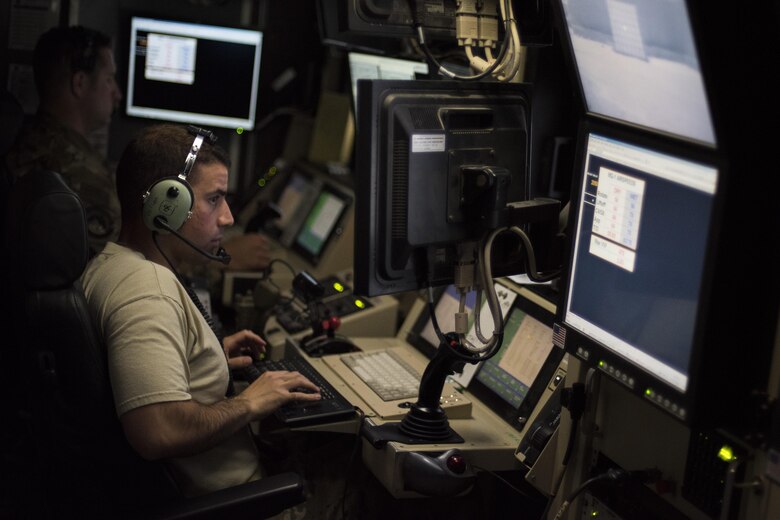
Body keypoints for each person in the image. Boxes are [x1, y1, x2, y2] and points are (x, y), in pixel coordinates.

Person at [81, 123, 321, 497]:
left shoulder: (109, 265)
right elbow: (159, 431)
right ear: (167, 204)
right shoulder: (148, 293)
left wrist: (202, 355)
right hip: (244, 504)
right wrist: (249, 403)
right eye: (214, 199)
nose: (227, 217)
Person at [5, 25, 122, 254]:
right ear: (79, 84)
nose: (116, 93)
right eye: (109, 79)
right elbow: (103, 269)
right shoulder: (79, 173)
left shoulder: (27, 143)